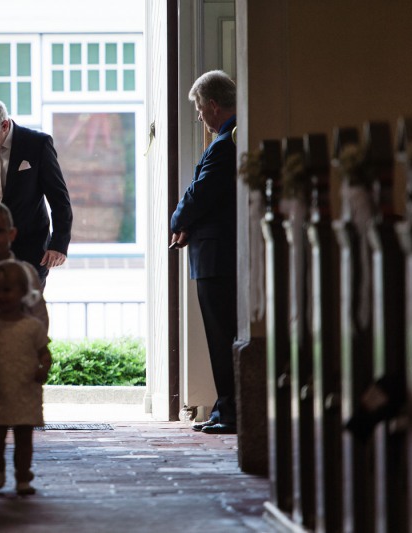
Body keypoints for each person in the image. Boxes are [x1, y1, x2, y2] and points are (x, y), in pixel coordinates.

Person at [169, 70, 238, 435]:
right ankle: (225, 407)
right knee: (222, 334)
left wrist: (177, 221)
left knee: (221, 334)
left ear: (212, 105)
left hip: (217, 257)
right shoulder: (231, 138)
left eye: (199, 108)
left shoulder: (225, 143)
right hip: (218, 253)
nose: (199, 117)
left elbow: (201, 193)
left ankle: (230, 410)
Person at [0, 201, 49, 480]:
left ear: (11, 234)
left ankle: (22, 468)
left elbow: (38, 311)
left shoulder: (26, 272)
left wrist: (38, 347)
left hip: (22, 355)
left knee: (21, 415)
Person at [0, 99, 73, 285]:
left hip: (30, 252)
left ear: (4, 125)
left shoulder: (37, 144)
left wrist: (59, 244)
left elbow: (59, 199)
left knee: (29, 312)